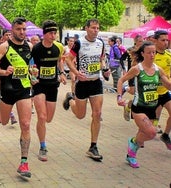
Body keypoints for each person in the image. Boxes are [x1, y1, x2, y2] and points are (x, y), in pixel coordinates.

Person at [0, 17, 33, 177]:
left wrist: (34, 72)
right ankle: (1, 114)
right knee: (5, 121)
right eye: (19, 29)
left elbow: (32, 66)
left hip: (24, 90)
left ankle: (24, 163)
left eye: (24, 29)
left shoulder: (30, 46)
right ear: (12, 30)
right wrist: (4, 72)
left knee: (26, 124)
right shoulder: (4, 47)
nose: (22, 32)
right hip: (7, 90)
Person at [116, 41, 171, 168]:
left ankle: (132, 151)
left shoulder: (158, 70)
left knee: (145, 134)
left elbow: (168, 86)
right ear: (142, 53)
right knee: (151, 133)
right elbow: (121, 80)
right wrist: (119, 96)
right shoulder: (137, 69)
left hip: (153, 107)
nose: (152, 55)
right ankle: (133, 144)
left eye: (154, 52)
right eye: (149, 53)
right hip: (139, 107)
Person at [62, 18, 109, 161]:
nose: (96, 30)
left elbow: (102, 58)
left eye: (98, 28)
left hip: (96, 82)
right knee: (80, 115)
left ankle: (93, 146)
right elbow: (68, 59)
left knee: (97, 113)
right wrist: (76, 73)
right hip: (82, 83)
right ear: (86, 28)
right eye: (93, 28)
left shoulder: (100, 43)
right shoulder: (79, 43)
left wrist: (105, 69)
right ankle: (70, 99)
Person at [31, 20, 66, 162]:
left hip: (52, 85)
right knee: (42, 117)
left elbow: (59, 62)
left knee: (49, 118)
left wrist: (62, 73)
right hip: (39, 85)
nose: (53, 35)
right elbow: (31, 63)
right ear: (44, 34)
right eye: (51, 33)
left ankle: (68, 98)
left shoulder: (58, 47)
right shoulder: (36, 49)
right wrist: (32, 76)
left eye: (55, 33)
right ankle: (43, 146)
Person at [153, 30, 171, 149]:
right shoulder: (151, 55)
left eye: (167, 40)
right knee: (148, 130)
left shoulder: (169, 55)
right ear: (155, 41)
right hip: (152, 93)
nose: (165, 43)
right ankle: (134, 145)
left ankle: (165, 135)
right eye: (162, 40)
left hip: (165, 92)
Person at [120, 34, 144, 121]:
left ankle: (129, 105)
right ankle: (126, 89)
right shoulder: (130, 50)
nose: (142, 42)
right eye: (140, 41)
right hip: (132, 73)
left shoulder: (144, 50)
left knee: (139, 93)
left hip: (141, 73)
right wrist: (124, 69)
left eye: (143, 41)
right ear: (136, 41)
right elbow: (121, 59)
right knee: (134, 92)